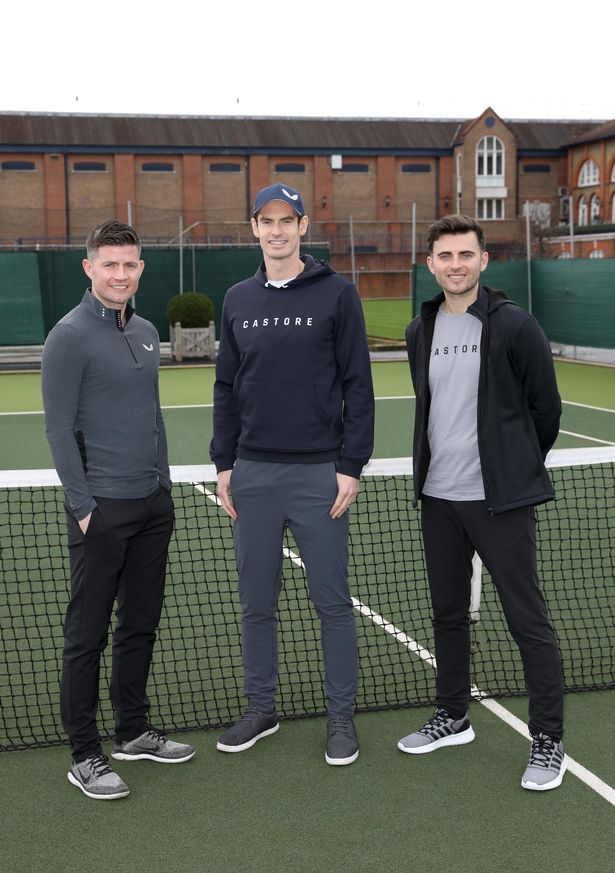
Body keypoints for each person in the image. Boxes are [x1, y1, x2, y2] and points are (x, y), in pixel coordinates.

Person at [399, 214, 566, 791]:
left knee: (527, 620)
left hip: (501, 503)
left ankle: (548, 742)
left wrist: (512, 468)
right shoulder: (418, 329)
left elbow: (546, 410)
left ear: (483, 260)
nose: (455, 265)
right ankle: (453, 716)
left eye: (465, 254)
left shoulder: (515, 326)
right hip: (438, 499)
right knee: (448, 615)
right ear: (431, 264)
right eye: (444, 256)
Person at [210, 183, 375, 765]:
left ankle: (340, 720)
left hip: (318, 478)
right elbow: (226, 386)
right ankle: (260, 709)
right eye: (266, 220)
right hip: (252, 474)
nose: (277, 230)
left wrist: (350, 466)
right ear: (253, 227)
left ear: (304, 226)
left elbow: (359, 383)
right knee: (256, 603)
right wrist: (224, 463)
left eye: (288, 220)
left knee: (331, 602)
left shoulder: (338, 294)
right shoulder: (235, 298)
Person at [41, 220, 195, 801]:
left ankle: (132, 730)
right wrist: (83, 508)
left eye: (130, 265)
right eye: (110, 265)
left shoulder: (149, 330)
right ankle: (84, 752)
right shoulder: (68, 336)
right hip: (101, 511)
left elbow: (153, 416)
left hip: (151, 505)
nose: (121, 275)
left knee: (140, 626)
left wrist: (164, 488)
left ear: (140, 268)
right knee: (87, 636)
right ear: (89, 268)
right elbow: (57, 430)